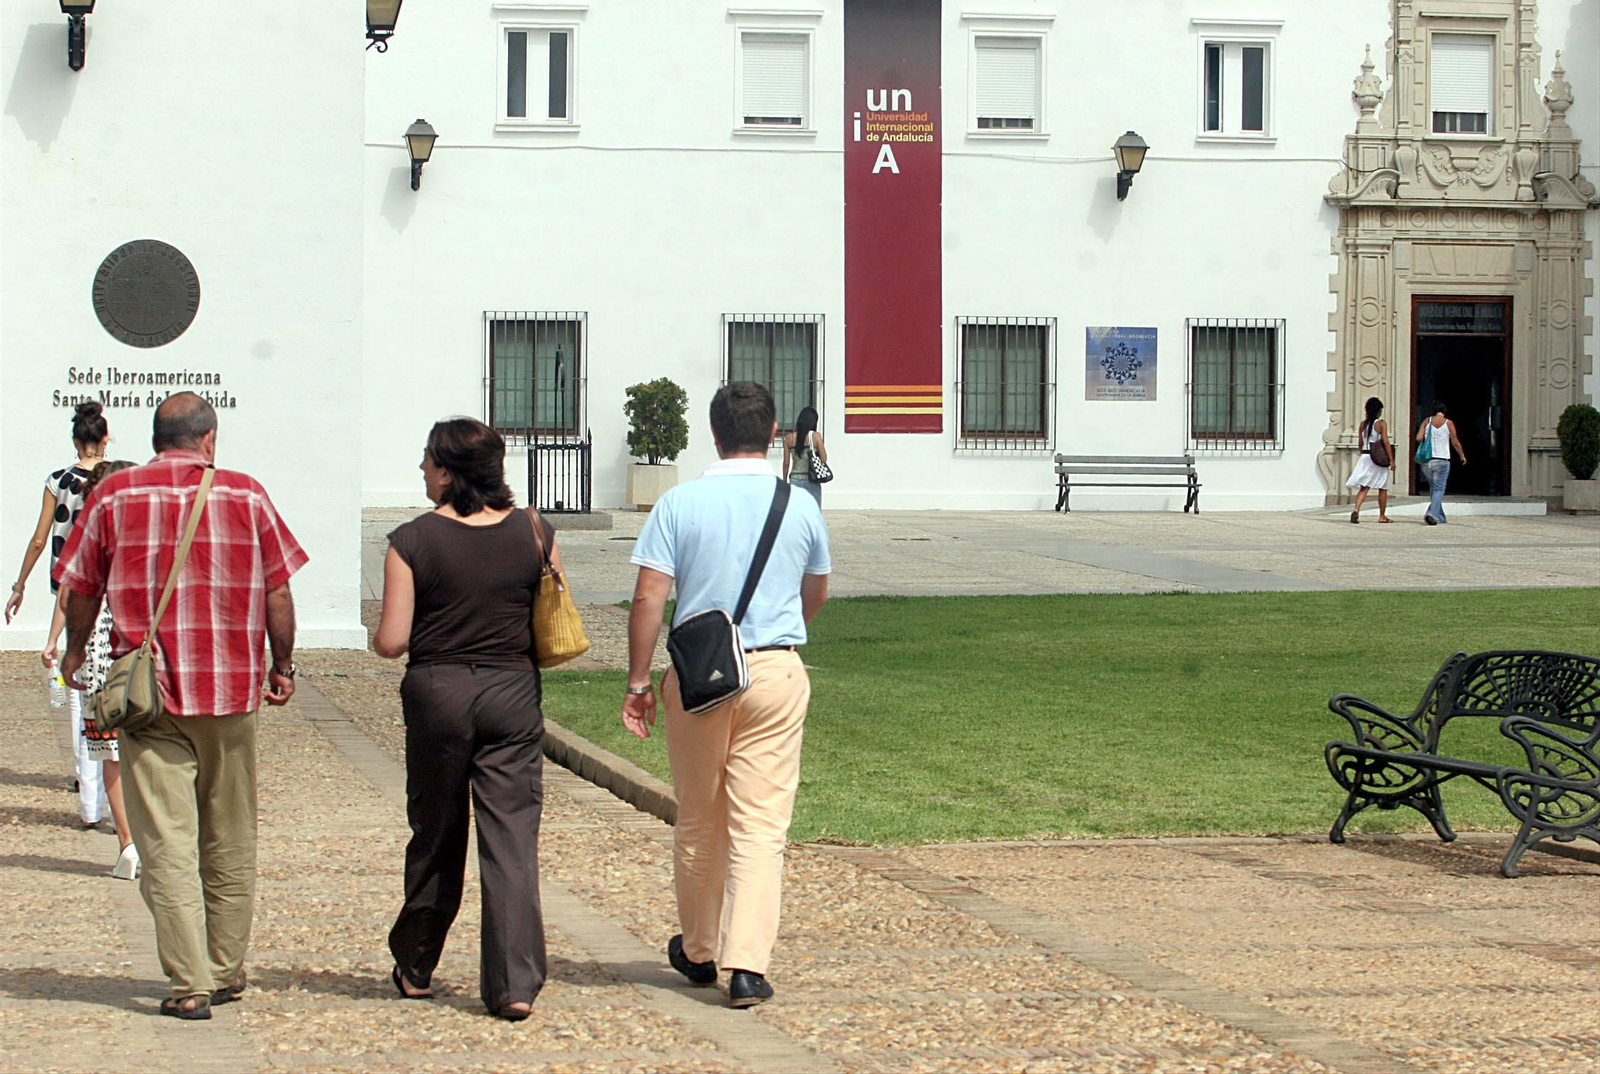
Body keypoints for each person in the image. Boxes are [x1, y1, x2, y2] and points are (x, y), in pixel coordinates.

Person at [54, 392, 306, 1021]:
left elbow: (79, 586)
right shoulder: (246, 494)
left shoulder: (113, 497)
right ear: (209, 440)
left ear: (156, 438)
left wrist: (74, 652)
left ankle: (189, 982)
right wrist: (282, 665)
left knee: (166, 840)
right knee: (230, 835)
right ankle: (224, 968)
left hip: (149, 695)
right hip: (229, 692)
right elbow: (278, 589)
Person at [622, 382, 830, 1009]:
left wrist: (638, 682)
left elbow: (649, 598)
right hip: (772, 668)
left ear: (712, 434)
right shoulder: (799, 506)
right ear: (773, 434)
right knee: (761, 823)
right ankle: (748, 966)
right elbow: (814, 591)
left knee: (698, 814)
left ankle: (699, 946)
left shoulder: (680, 504)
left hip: (700, 673)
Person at [373, 418, 558, 1021]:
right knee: (510, 840)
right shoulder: (534, 530)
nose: (421, 469)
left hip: (439, 693)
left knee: (437, 830)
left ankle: (418, 965)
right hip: (510, 690)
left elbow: (392, 641)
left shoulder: (410, 540)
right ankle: (513, 984)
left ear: (448, 470)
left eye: (427, 460)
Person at [7, 401, 112, 826]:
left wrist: (19, 584)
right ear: (106, 438)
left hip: (68, 589)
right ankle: (107, 775)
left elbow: (38, 538)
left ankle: (83, 775)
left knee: (73, 681)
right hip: (111, 586)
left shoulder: (58, 480)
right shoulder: (118, 478)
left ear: (75, 439)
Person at [43, 460, 141, 879]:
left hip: (100, 655)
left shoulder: (87, 540)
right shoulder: (148, 536)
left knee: (109, 752)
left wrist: (64, 648)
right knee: (147, 749)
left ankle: (128, 845)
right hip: (145, 653)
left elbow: (69, 595)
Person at [1415, 401, 1468, 525]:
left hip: (1427, 461)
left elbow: (1418, 438)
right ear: (1444, 411)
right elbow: (1455, 442)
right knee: (1439, 489)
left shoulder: (1426, 421)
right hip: (1442, 460)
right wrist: (1462, 455)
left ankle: (1440, 516)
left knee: (1434, 489)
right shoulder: (1448, 423)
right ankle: (1432, 513)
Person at [1346, 397, 1394, 523]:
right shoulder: (1381, 424)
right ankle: (1382, 516)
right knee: (1382, 487)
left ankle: (1356, 509)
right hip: (1377, 458)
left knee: (1364, 487)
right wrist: (1391, 459)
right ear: (1378, 411)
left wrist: (1363, 452)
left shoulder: (1363, 425)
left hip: (1366, 456)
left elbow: (1360, 444)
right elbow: (1386, 442)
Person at [781, 405, 828, 508]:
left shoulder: (789, 438)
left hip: (794, 479)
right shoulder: (815, 436)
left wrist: (784, 480)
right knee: (814, 511)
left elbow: (786, 463)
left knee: (796, 512)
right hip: (811, 479)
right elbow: (824, 459)